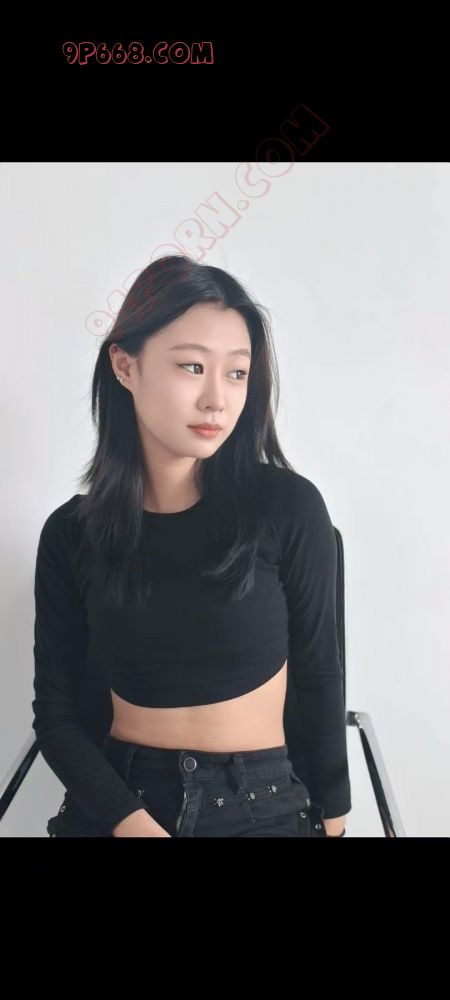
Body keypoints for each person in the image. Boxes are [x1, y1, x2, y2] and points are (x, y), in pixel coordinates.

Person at [32, 254, 351, 838]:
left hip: (261, 805)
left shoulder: (287, 506)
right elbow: (56, 715)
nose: (216, 400)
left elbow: (320, 674)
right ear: (125, 367)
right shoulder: (72, 533)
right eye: (191, 366)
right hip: (119, 802)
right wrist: (132, 824)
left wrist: (334, 821)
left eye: (237, 373)